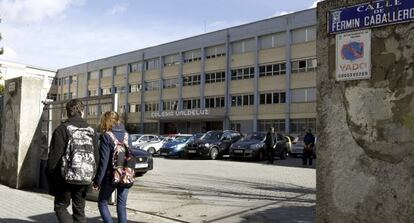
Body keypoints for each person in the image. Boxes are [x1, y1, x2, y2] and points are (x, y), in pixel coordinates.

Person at [46, 99, 99, 223]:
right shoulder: (91, 131)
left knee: (60, 206)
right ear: (82, 111)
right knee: (79, 210)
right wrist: (93, 176)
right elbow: (96, 156)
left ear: (67, 112)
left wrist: (52, 177)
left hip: (64, 178)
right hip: (85, 177)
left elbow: (54, 158)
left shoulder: (62, 129)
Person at [93, 111, 132, 223]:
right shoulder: (127, 135)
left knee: (102, 202)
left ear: (106, 121)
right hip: (126, 175)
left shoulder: (106, 136)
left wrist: (98, 181)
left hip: (111, 176)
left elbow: (104, 162)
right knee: (122, 204)